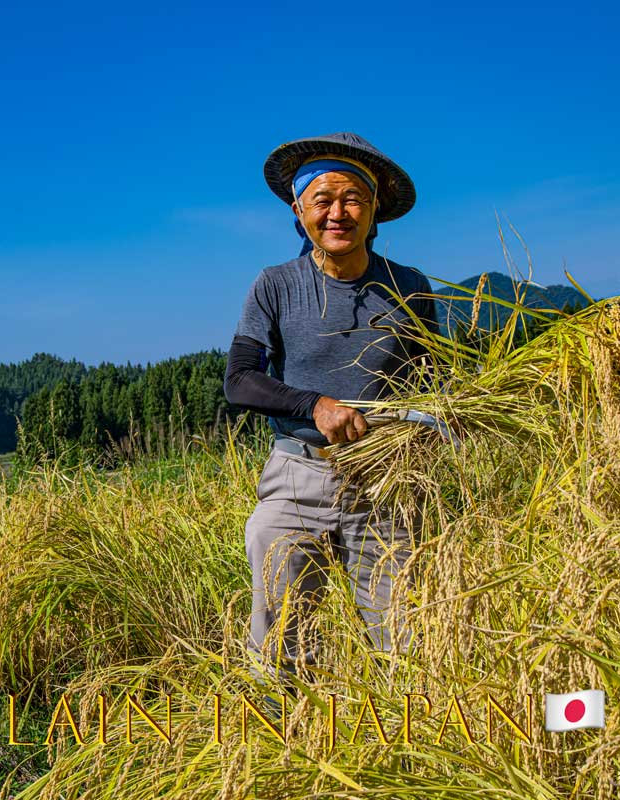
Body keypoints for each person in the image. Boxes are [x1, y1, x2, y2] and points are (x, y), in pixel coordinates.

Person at [223, 131, 441, 685]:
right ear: (300, 211)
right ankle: (283, 738)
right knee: (282, 639)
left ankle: (407, 744)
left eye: (352, 200)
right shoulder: (275, 285)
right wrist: (314, 404)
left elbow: (434, 380)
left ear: (374, 212)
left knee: (406, 640)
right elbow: (240, 381)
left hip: (385, 480)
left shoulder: (409, 288)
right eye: (323, 200)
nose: (337, 213)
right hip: (300, 475)